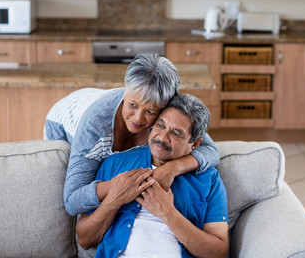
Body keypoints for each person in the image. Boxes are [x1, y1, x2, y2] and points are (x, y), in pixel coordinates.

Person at [45, 54, 219, 216]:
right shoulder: (93, 126)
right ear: (125, 88)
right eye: (133, 105)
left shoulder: (167, 110)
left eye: (150, 111)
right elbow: (72, 201)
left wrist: (172, 168)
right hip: (64, 120)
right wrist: (121, 186)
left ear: (164, 106)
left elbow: (210, 149)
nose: (137, 119)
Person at [76, 94, 229, 258]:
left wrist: (168, 213)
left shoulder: (208, 179)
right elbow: (85, 240)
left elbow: (218, 252)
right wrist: (114, 199)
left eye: (176, 133)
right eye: (160, 126)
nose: (162, 138)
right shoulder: (115, 164)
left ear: (196, 144)